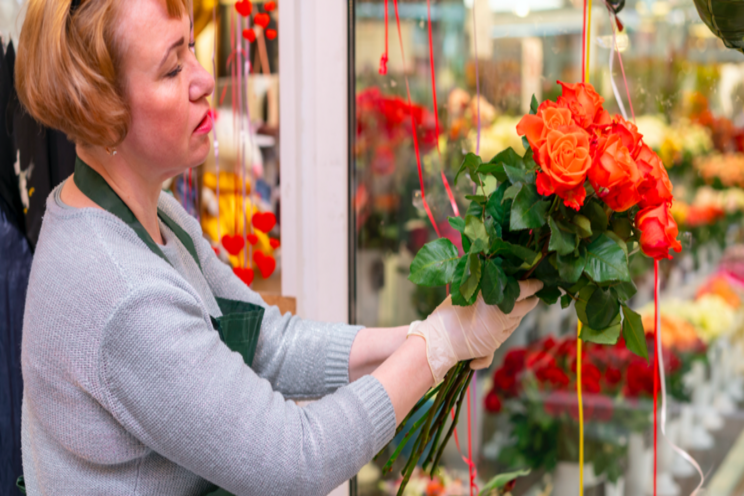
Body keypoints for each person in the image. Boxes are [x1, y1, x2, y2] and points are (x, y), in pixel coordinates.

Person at [15, 0, 542, 494]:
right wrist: (438, 348)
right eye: (172, 70)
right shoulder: (123, 293)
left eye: (192, 49)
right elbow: (296, 458)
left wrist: (421, 334)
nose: (203, 81)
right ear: (99, 108)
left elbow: (269, 341)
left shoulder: (144, 212)